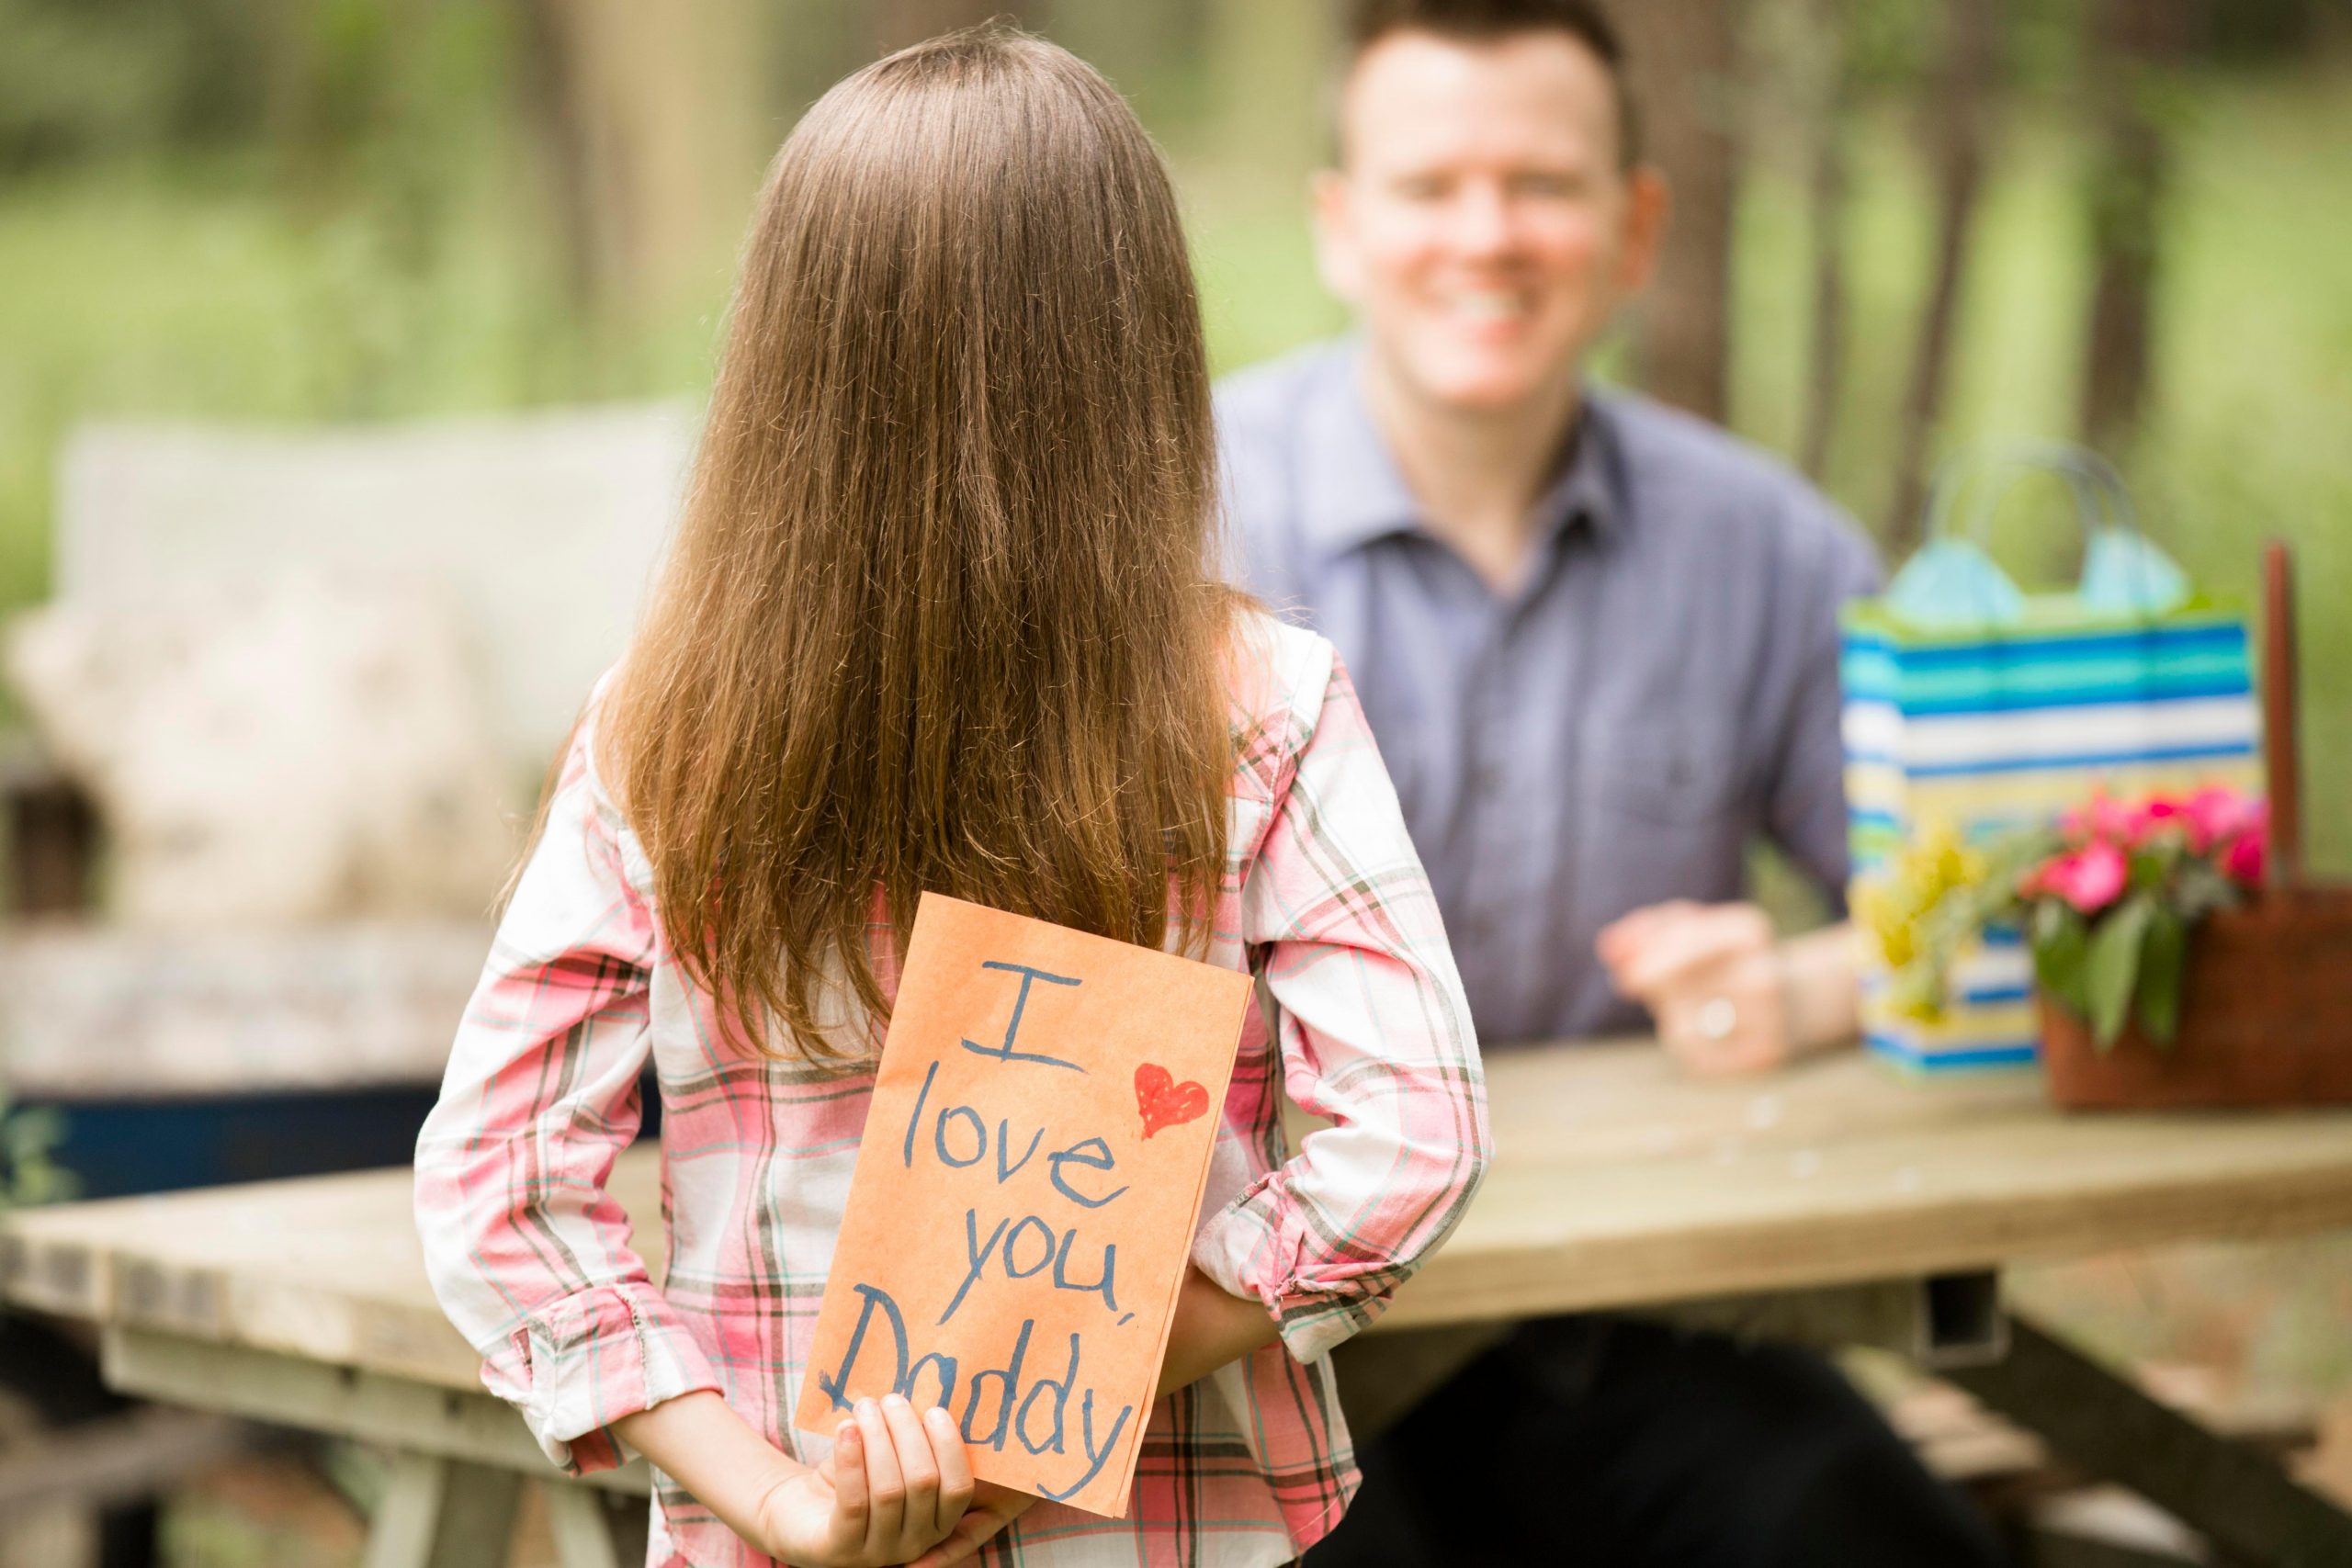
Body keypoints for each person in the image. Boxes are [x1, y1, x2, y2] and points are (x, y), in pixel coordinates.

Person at [413, 30, 1489, 1568]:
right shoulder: (1262, 703)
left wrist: (786, 1502)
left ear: (782, 360)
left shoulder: (662, 731)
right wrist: (1073, 1389)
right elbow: (1417, 1135)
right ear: (1134, 350)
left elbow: (495, 1189)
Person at [1217, 2, 2009, 1563]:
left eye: (1543, 184)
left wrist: (1806, 986)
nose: (1487, 236)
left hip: (1643, 1323)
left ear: (1638, 227)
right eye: (1430, 186)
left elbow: (1984, 899)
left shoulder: (1763, 549)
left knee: (1883, 1541)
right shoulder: (1176, 530)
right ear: (1339, 224)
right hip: (1271, 1349)